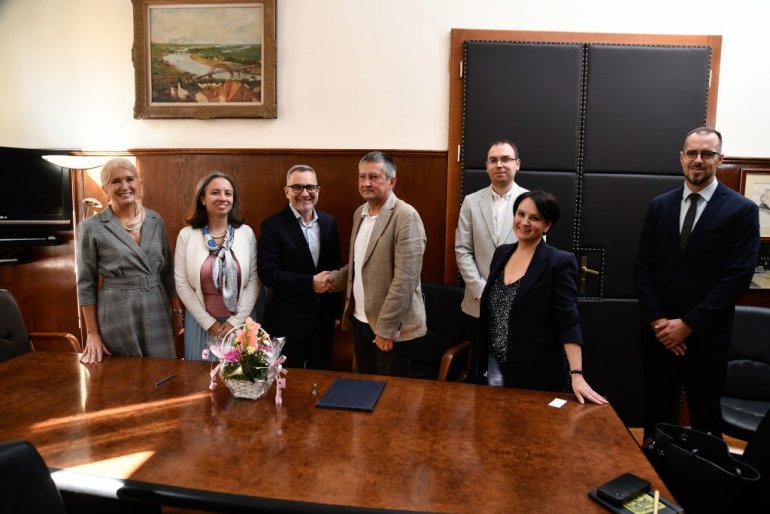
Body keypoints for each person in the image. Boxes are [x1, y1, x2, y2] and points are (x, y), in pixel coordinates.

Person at [634, 127, 759, 438]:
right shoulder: (659, 206)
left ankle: (704, 471)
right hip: (659, 335)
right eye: (692, 153)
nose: (698, 160)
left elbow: (738, 277)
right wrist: (658, 321)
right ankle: (655, 468)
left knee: (706, 421)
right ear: (682, 157)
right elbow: (642, 265)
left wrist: (688, 324)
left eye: (707, 154)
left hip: (706, 336)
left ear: (720, 159)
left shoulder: (742, 210)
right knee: (656, 415)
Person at [479, 190, 607, 405]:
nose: (524, 222)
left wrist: (576, 374)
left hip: (535, 369)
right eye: (521, 214)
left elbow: (568, 321)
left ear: (547, 225)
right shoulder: (501, 253)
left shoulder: (559, 262)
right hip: (493, 363)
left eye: (534, 218)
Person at [330, 151, 427, 376]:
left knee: (390, 393)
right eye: (362, 176)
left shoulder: (406, 216)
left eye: (374, 177)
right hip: (360, 321)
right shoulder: (360, 213)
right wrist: (333, 279)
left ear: (392, 181)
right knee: (365, 388)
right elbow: (359, 265)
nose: (366, 183)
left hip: (391, 330)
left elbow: (406, 280)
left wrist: (386, 329)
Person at [78, 158, 181, 363]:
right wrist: (92, 333)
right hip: (116, 311)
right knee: (124, 374)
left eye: (129, 179)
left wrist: (176, 312)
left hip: (157, 307)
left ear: (139, 183)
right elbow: (86, 283)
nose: (124, 186)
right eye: (116, 181)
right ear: (105, 188)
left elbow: (168, 272)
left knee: (163, 371)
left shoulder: (155, 220)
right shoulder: (91, 227)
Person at [455, 139, 528, 380]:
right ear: (486, 166)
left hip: (515, 304)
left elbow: (537, 254)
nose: (499, 165)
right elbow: (462, 250)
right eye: (493, 160)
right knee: (478, 373)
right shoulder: (471, 201)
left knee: (511, 374)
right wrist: (482, 290)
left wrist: (511, 292)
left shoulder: (531, 201)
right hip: (477, 303)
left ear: (517, 164)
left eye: (505, 159)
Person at [257, 164, 342, 369]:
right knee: (287, 381)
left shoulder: (329, 223)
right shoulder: (272, 226)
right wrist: (310, 282)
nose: (305, 193)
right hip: (288, 321)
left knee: (320, 379)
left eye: (310, 187)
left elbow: (335, 268)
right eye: (297, 187)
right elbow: (268, 273)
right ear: (287, 191)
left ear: (318, 190)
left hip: (323, 322)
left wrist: (336, 312)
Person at [174, 172, 260, 360]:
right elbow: (182, 283)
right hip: (201, 324)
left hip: (240, 323)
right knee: (199, 376)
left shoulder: (246, 233)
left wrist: (235, 321)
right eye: (215, 192)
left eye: (228, 193)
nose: (223, 198)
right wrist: (209, 323)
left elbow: (254, 280)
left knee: (241, 376)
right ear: (202, 199)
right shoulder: (186, 235)